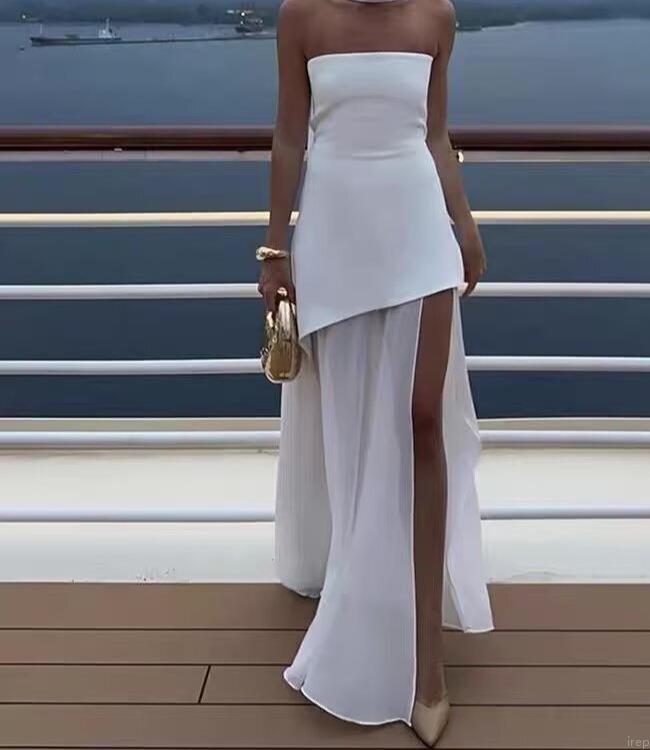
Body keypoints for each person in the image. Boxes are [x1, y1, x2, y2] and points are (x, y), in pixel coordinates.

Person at [257, 0, 494, 744]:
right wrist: (274, 250)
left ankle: (428, 664)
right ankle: (362, 590)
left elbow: (434, 133)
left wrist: (465, 224)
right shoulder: (301, 16)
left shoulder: (436, 16)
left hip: (419, 230)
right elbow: (291, 136)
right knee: (352, 429)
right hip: (335, 236)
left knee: (423, 419)